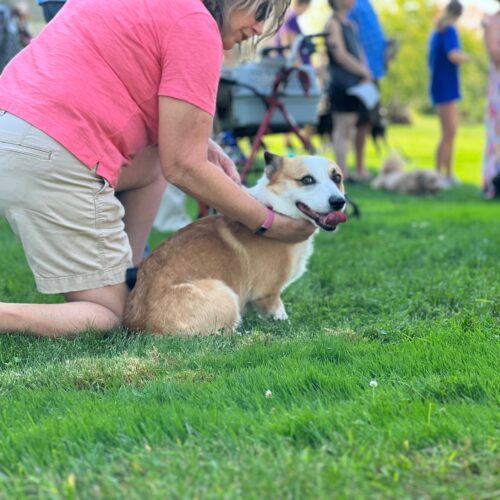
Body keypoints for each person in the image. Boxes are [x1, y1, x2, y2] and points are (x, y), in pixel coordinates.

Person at [0, 0, 316, 338]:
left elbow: (105, 77)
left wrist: (201, 143)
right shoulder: (196, 26)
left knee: (154, 159)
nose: (258, 28)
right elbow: (184, 166)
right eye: (261, 13)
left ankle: (126, 273)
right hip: (52, 156)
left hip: (13, 127)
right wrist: (266, 223)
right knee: (111, 316)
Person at [325, 0, 372, 181]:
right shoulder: (332, 24)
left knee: (351, 128)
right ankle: (340, 174)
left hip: (355, 85)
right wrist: (362, 70)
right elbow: (340, 55)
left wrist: (365, 72)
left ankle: (346, 172)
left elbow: (359, 53)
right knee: (342, 130)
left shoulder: (350, 25)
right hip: (341, 85)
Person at [427, 0, 469, 188]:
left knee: (449, 132)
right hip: (446, 87)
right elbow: (453, 55)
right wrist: (466, 57)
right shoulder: (449, 30)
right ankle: (440, 175)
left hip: (441, 85)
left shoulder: (438, 31)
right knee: (449, 132)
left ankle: (448, 174)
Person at [348, 0, 389, 165]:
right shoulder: (353, 5)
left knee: (368, 121)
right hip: (361, 74)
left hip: (374, 72)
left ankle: (360, 165)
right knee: (358, 121)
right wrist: (363, 70)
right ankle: (356, 166)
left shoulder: (367, 4)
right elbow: (353, 39)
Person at [482, 3, 500, 199]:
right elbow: (495, 53)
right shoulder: (492, 21)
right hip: (498, 90)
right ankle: (494, 184)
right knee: (497, 138)